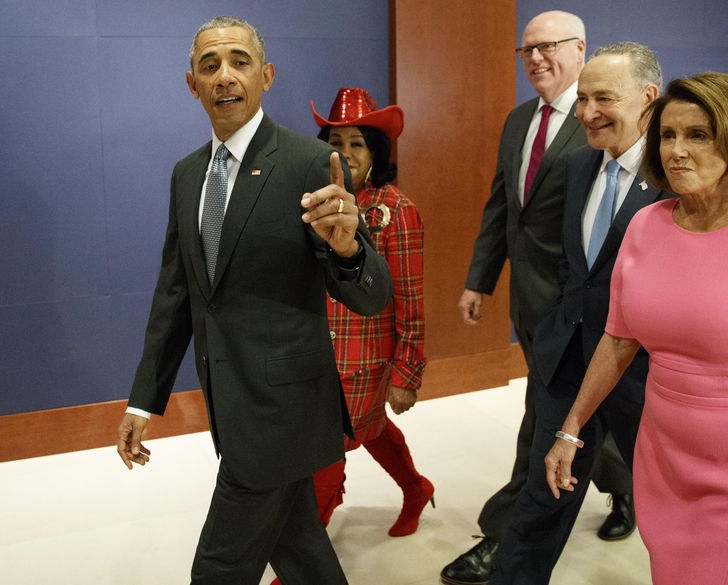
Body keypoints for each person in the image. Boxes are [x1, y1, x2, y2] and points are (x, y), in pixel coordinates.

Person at [114, 16, 391, 585]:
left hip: (283, 409)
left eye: (239, 62)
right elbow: (177, 292)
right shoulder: (187, 174)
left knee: (218, 568)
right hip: (229, 401)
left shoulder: (308, 163)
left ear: (265, 76)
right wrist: (144, 400)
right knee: (301, 552)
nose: (224, 76)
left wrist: (346, 251)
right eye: (209, 65)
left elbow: (372, 295)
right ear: (192, 83)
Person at [546, 71, 728, 584]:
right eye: (668, 134)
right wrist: (570, 429)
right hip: (662, 455)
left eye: (698, 135)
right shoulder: (648, 224)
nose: (676, 150)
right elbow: (619, 338)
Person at [444, 11, 633, 585]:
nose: (535, 58)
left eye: (548, 46)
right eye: (525, 50)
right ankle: (625, 491)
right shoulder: (519, 119)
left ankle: (503, 541)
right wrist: (480, 278)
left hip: (579, 312)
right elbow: (503, 206)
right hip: (530, 307)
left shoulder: (602, 121)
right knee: (576, 417)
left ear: (580, 49)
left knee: (544, 427)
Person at [488, 42, 668, 585]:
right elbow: (576, 266)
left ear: (648, 99)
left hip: (644, 376)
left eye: (604, 98)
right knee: (542, 498)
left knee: (670, 508)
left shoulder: (674, 180)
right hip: (567, 361)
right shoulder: (577, 165)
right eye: (583, 98)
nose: (587, 112)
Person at [269, 87, 431, 585]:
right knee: (374, 430)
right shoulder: (313, 202)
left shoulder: (392, 210)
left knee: (322, 466)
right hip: (313, 357)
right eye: (335, 140)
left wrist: (407, 369)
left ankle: (301, 569)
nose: (343, 153)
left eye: (357, 143)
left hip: (363, 362)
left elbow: (409, 296)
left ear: (376, 153)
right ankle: (417, 487)